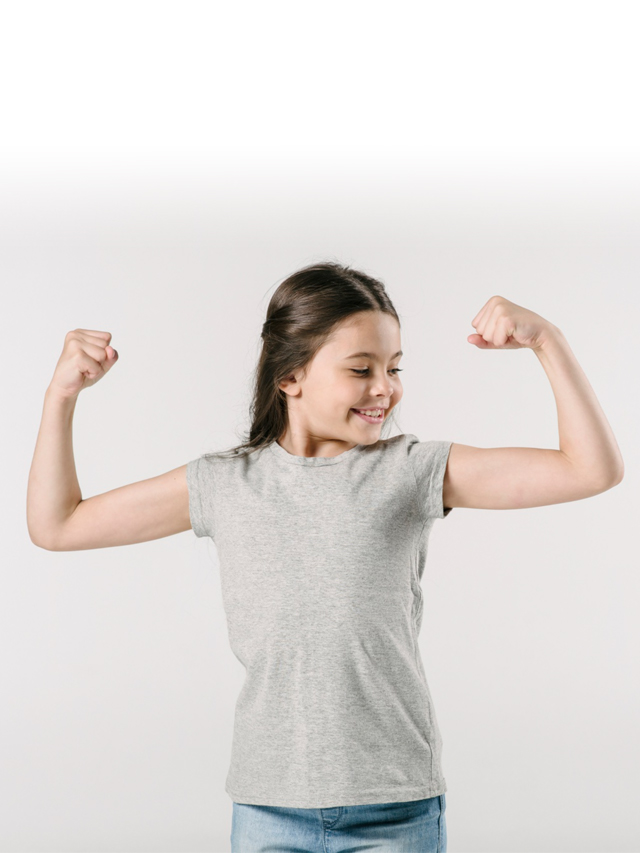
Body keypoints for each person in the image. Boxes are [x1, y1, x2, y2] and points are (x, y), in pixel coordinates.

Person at [27, 261, 624, 853]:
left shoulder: (410, 469)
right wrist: (61, 395)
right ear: (290, 377)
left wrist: (549, 342)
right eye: (361, 369)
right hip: (268, 807)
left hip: (394, 806)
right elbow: (58, 525)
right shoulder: (223, 484)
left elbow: (589, 469)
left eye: (393, 368)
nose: (385, 388)